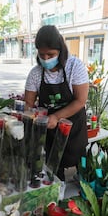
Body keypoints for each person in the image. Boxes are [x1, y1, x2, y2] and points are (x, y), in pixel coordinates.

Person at [24, 25, 89, 181]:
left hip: (73, 124)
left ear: (60, 50)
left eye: (50, 54)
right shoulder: (35, 73)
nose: (46, 59)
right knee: (53, 164)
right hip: (49, 127)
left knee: (80, 160)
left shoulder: (75, 66)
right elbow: (28, 104)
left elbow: (80, 100)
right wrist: (32, 118)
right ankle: (56, 193)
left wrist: (57, 117)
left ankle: (86, 189)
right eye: (42, 54)